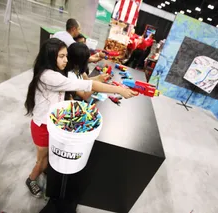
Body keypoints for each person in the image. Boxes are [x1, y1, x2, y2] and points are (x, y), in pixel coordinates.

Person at [24, 38, 137, 198]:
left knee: (50, 156)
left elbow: (76, 87)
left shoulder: (53, 72)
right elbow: (86, 86)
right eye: (61, 56)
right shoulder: (49, 76)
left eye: (66, 56)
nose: (66, 60)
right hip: (42, 126)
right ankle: (31, 179)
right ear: (50, 57)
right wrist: (118, 90)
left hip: (51, 123)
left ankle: (46, 172)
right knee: (42, 160)